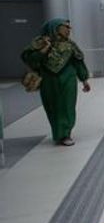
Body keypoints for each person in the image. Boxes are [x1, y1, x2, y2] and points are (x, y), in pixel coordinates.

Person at [20, 18, 91, 146]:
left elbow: (78, 62)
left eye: (69, 28)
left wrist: (84, 79)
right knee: (52, 106)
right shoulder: (40, 43)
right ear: (55, 27)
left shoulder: (71, 45)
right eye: (65, 27)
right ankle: (58, 132)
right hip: (48, 79)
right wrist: (44, 49)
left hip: (68, 78)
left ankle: (65, 133)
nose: (69, 30)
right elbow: (30, 60)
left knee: (67, 105)